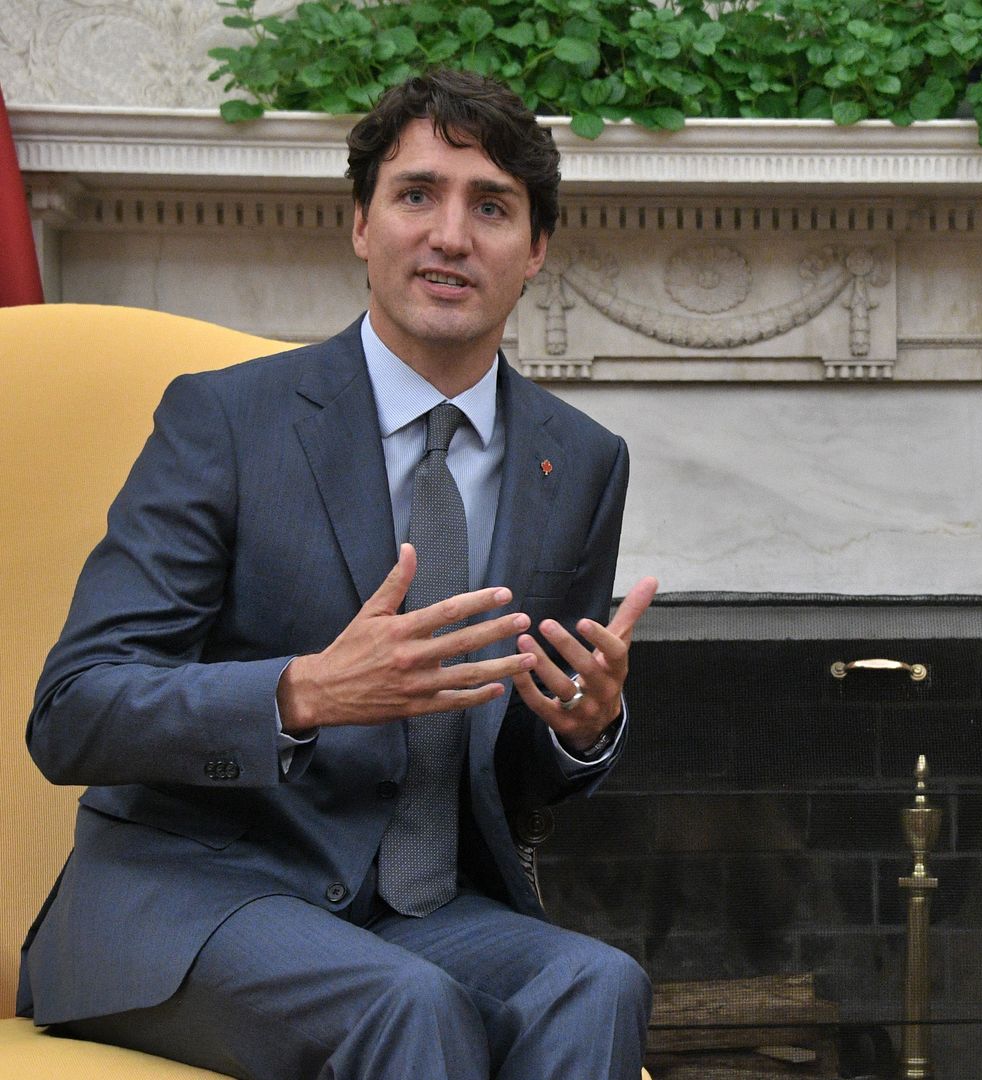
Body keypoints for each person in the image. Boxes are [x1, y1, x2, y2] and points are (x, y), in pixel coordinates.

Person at [17, 69, 654, 1079]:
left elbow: (515, 775)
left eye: (490, 206)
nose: (450, 234)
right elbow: (72, 712)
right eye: (416, 195)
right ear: (362, 225)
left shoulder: (577, 461)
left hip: (418, 915)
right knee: (409, 1007)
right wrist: (301, 692)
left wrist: (579, 730)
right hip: (198, 903)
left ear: (534, 250)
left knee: (597, 983)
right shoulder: (226, 423)